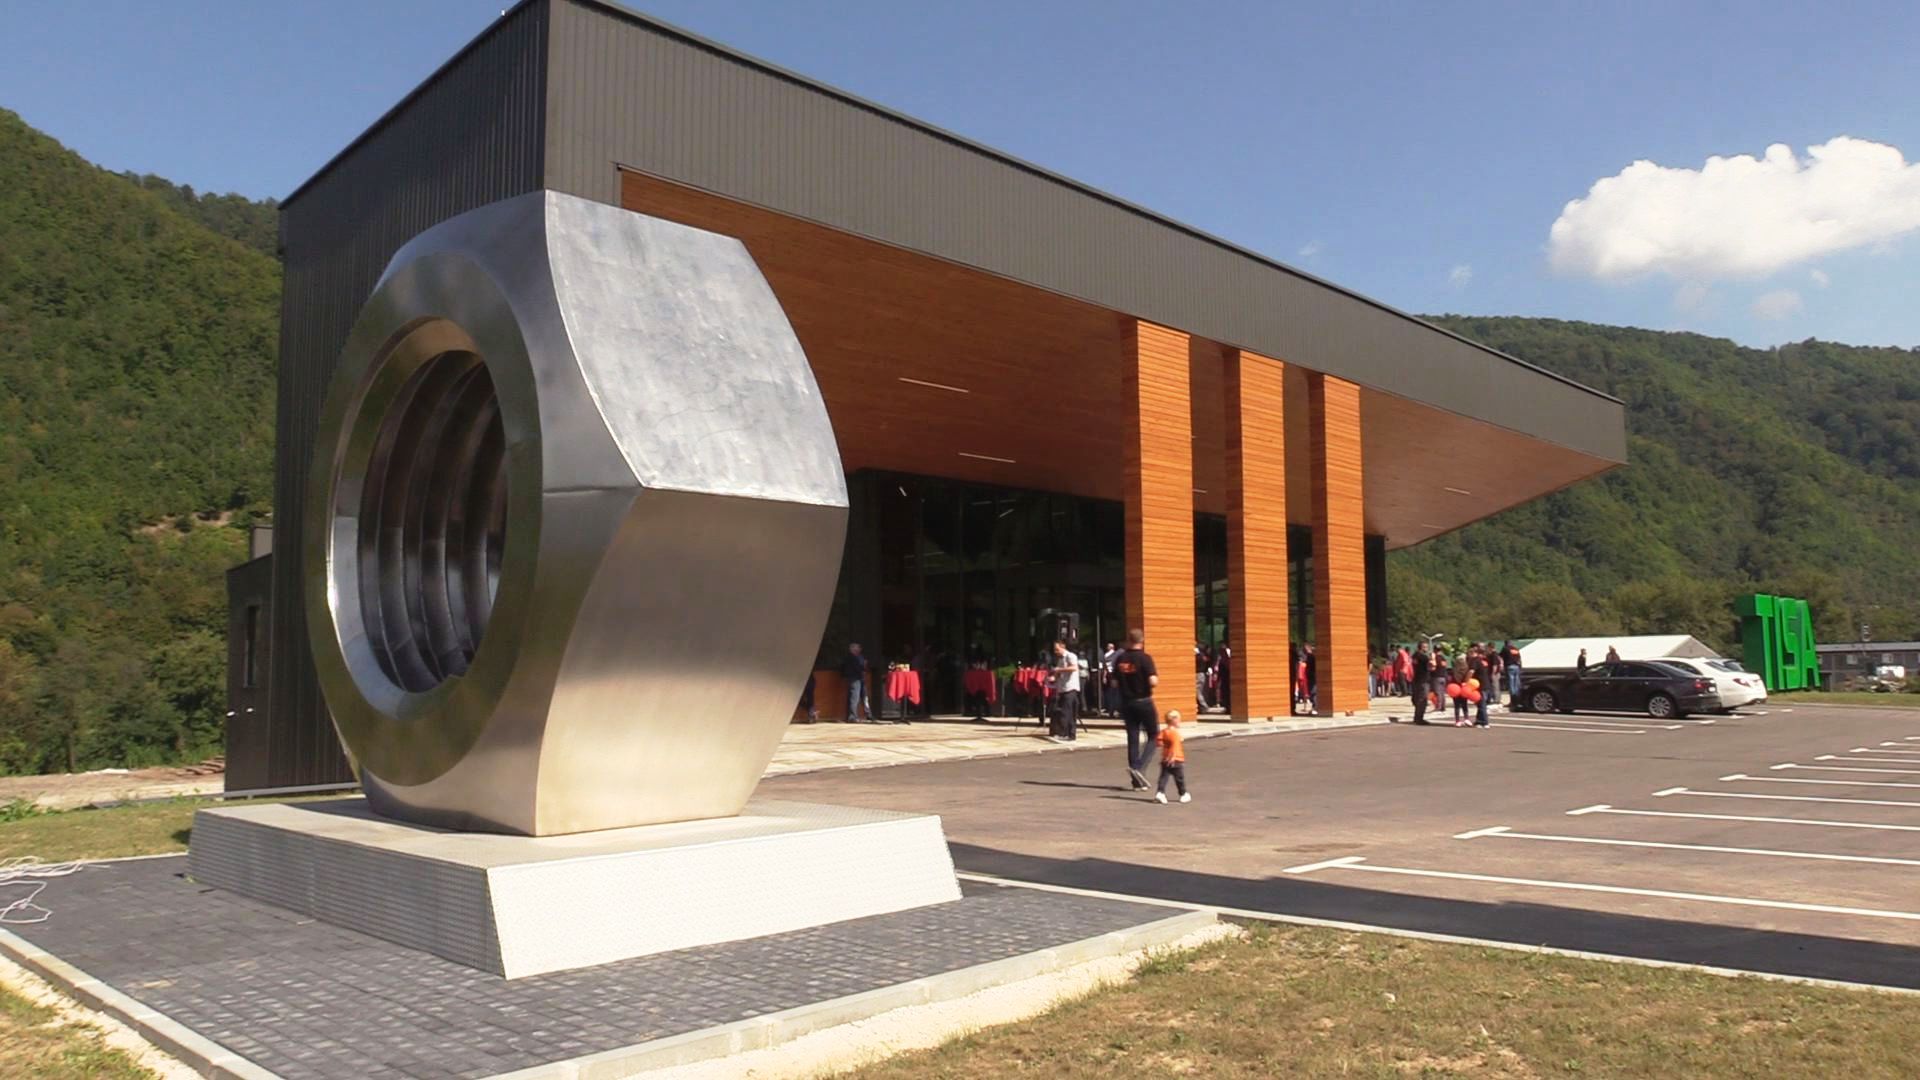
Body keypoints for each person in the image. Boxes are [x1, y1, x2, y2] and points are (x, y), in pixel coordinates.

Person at [1112, 629, 1160, 790]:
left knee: (1133, 737)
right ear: (1142, 640)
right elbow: (1153, 681)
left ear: (1128, 640)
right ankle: (1139, 767)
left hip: (1127, 702)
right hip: (1143, 701)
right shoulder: (1145, 658)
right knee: (1153, 735)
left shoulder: (1120, 659)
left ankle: (1136, 780)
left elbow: (1114, 683)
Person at [1049, 639, 1083, 742]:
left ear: (1063, 647)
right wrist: (1054, 677)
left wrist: (1059, 670)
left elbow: (1074, 668)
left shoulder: (1070, 656)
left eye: (1057, 649)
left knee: (1067, 712)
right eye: (1055, 650)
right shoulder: (1060, 659)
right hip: (1062, 688)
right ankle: (1068, 733)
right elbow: (1058, 672)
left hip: (1070, 688)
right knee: (1065, 711)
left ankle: (1066, 734)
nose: (1056, 652)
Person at [1153, 709, 1190, 804]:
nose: (1180, 721)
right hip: (1176, 759)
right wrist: (1172, 756)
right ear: (1174, 720)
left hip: (1165, 759)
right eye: (1179, 720)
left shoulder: (1164, 731)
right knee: (1179, 778)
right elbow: (1175, 746)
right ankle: (1183, 794)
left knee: (1163, 777)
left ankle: (1160, 793)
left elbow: (1158, 742)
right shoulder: (1175, 733)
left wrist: (1166, 745)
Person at [840, 643, 870, 723]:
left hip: (859, 678)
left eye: (859, 648)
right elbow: (857, 668)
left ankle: (868, 714)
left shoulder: (860, 657)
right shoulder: (850, 657)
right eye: (857, 647)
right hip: (854, 679)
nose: (859, 649)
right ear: (853, 649)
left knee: (863, 696)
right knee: (854, 698)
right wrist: (862, 669)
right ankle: (852, 717)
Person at [1469, 645, 1494, 729]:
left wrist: (1466, 680)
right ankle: (1479, 721)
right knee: (1482, 704)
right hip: (1487, 684)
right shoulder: (1485, 661)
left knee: (1481, 704)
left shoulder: (1475, 660)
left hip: (1480, 685)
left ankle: (1485, 722)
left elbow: (1471, 671)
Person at [1409, 642, 1433, 725]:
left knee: (1417, 699)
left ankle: (1417, 717)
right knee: (1423, 700)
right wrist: (1432, 657)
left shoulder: (1414, 656)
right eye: (1425, 647)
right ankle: (1419, 718)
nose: (1427, 649)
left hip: (1416, 679)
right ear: (1421, 648)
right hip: (1423, 680)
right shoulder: (1422, 657)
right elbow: (1431, 664)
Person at [1101, 641, 1122, 717]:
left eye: (1108, 646)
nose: (1107, 647)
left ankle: (1113, 710)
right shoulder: (1107, 655)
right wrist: (1104, 676)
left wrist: (1104, 676)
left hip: (1113, 675)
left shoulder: (1116, 654)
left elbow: (1106, 667)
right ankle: (1112, 710)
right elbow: (1105, 667)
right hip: (1112, 676)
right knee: (1112, 693)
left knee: (1113, 693)